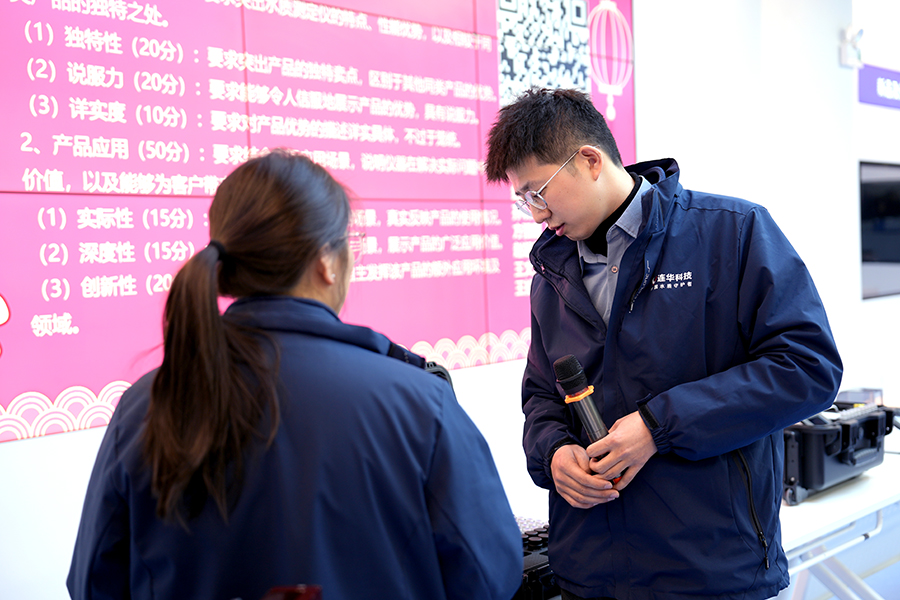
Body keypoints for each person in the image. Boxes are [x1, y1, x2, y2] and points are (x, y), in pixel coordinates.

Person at [67, 150, 523, 600]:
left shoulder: (147, 403)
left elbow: (94, 583)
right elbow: (489, 577)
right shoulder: (419, 404)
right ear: (326, 260)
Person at [484, 88, 843, 600]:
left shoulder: (732, 232)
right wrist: (554, 453)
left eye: (538, 192)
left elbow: (807, 368)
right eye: (523, 201)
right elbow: (542, 395)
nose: (536, 214)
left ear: (589, 160)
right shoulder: (553, 274)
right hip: (587, 571)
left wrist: (659, 426)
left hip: (709, 573)